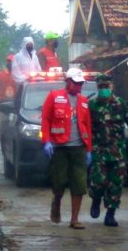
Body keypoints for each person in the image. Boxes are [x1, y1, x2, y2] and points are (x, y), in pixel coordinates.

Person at [88, 74, 128, 227]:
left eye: (106, 87)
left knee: (116, 183)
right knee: (99, 181)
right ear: (97, 88)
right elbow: (84, 126)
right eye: (101, 87)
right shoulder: (91, 105)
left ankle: (110, 214)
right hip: (99, 149)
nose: (104, 90)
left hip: (118, 151)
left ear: (111, 87)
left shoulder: (121, 104)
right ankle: (96, 200)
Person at [41, 67, 92, 230]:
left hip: (79, 148)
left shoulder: (84, 100)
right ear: (68, 82)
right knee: (59, 181)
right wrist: (46, 141)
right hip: (60, 147)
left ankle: (74, 219)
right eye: (76, 83)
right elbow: (46, 119)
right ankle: (56, 203)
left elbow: (87, 126)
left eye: (81, 84)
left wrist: (89, 149)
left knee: (79, 183)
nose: (79, 87)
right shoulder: (54, 97)